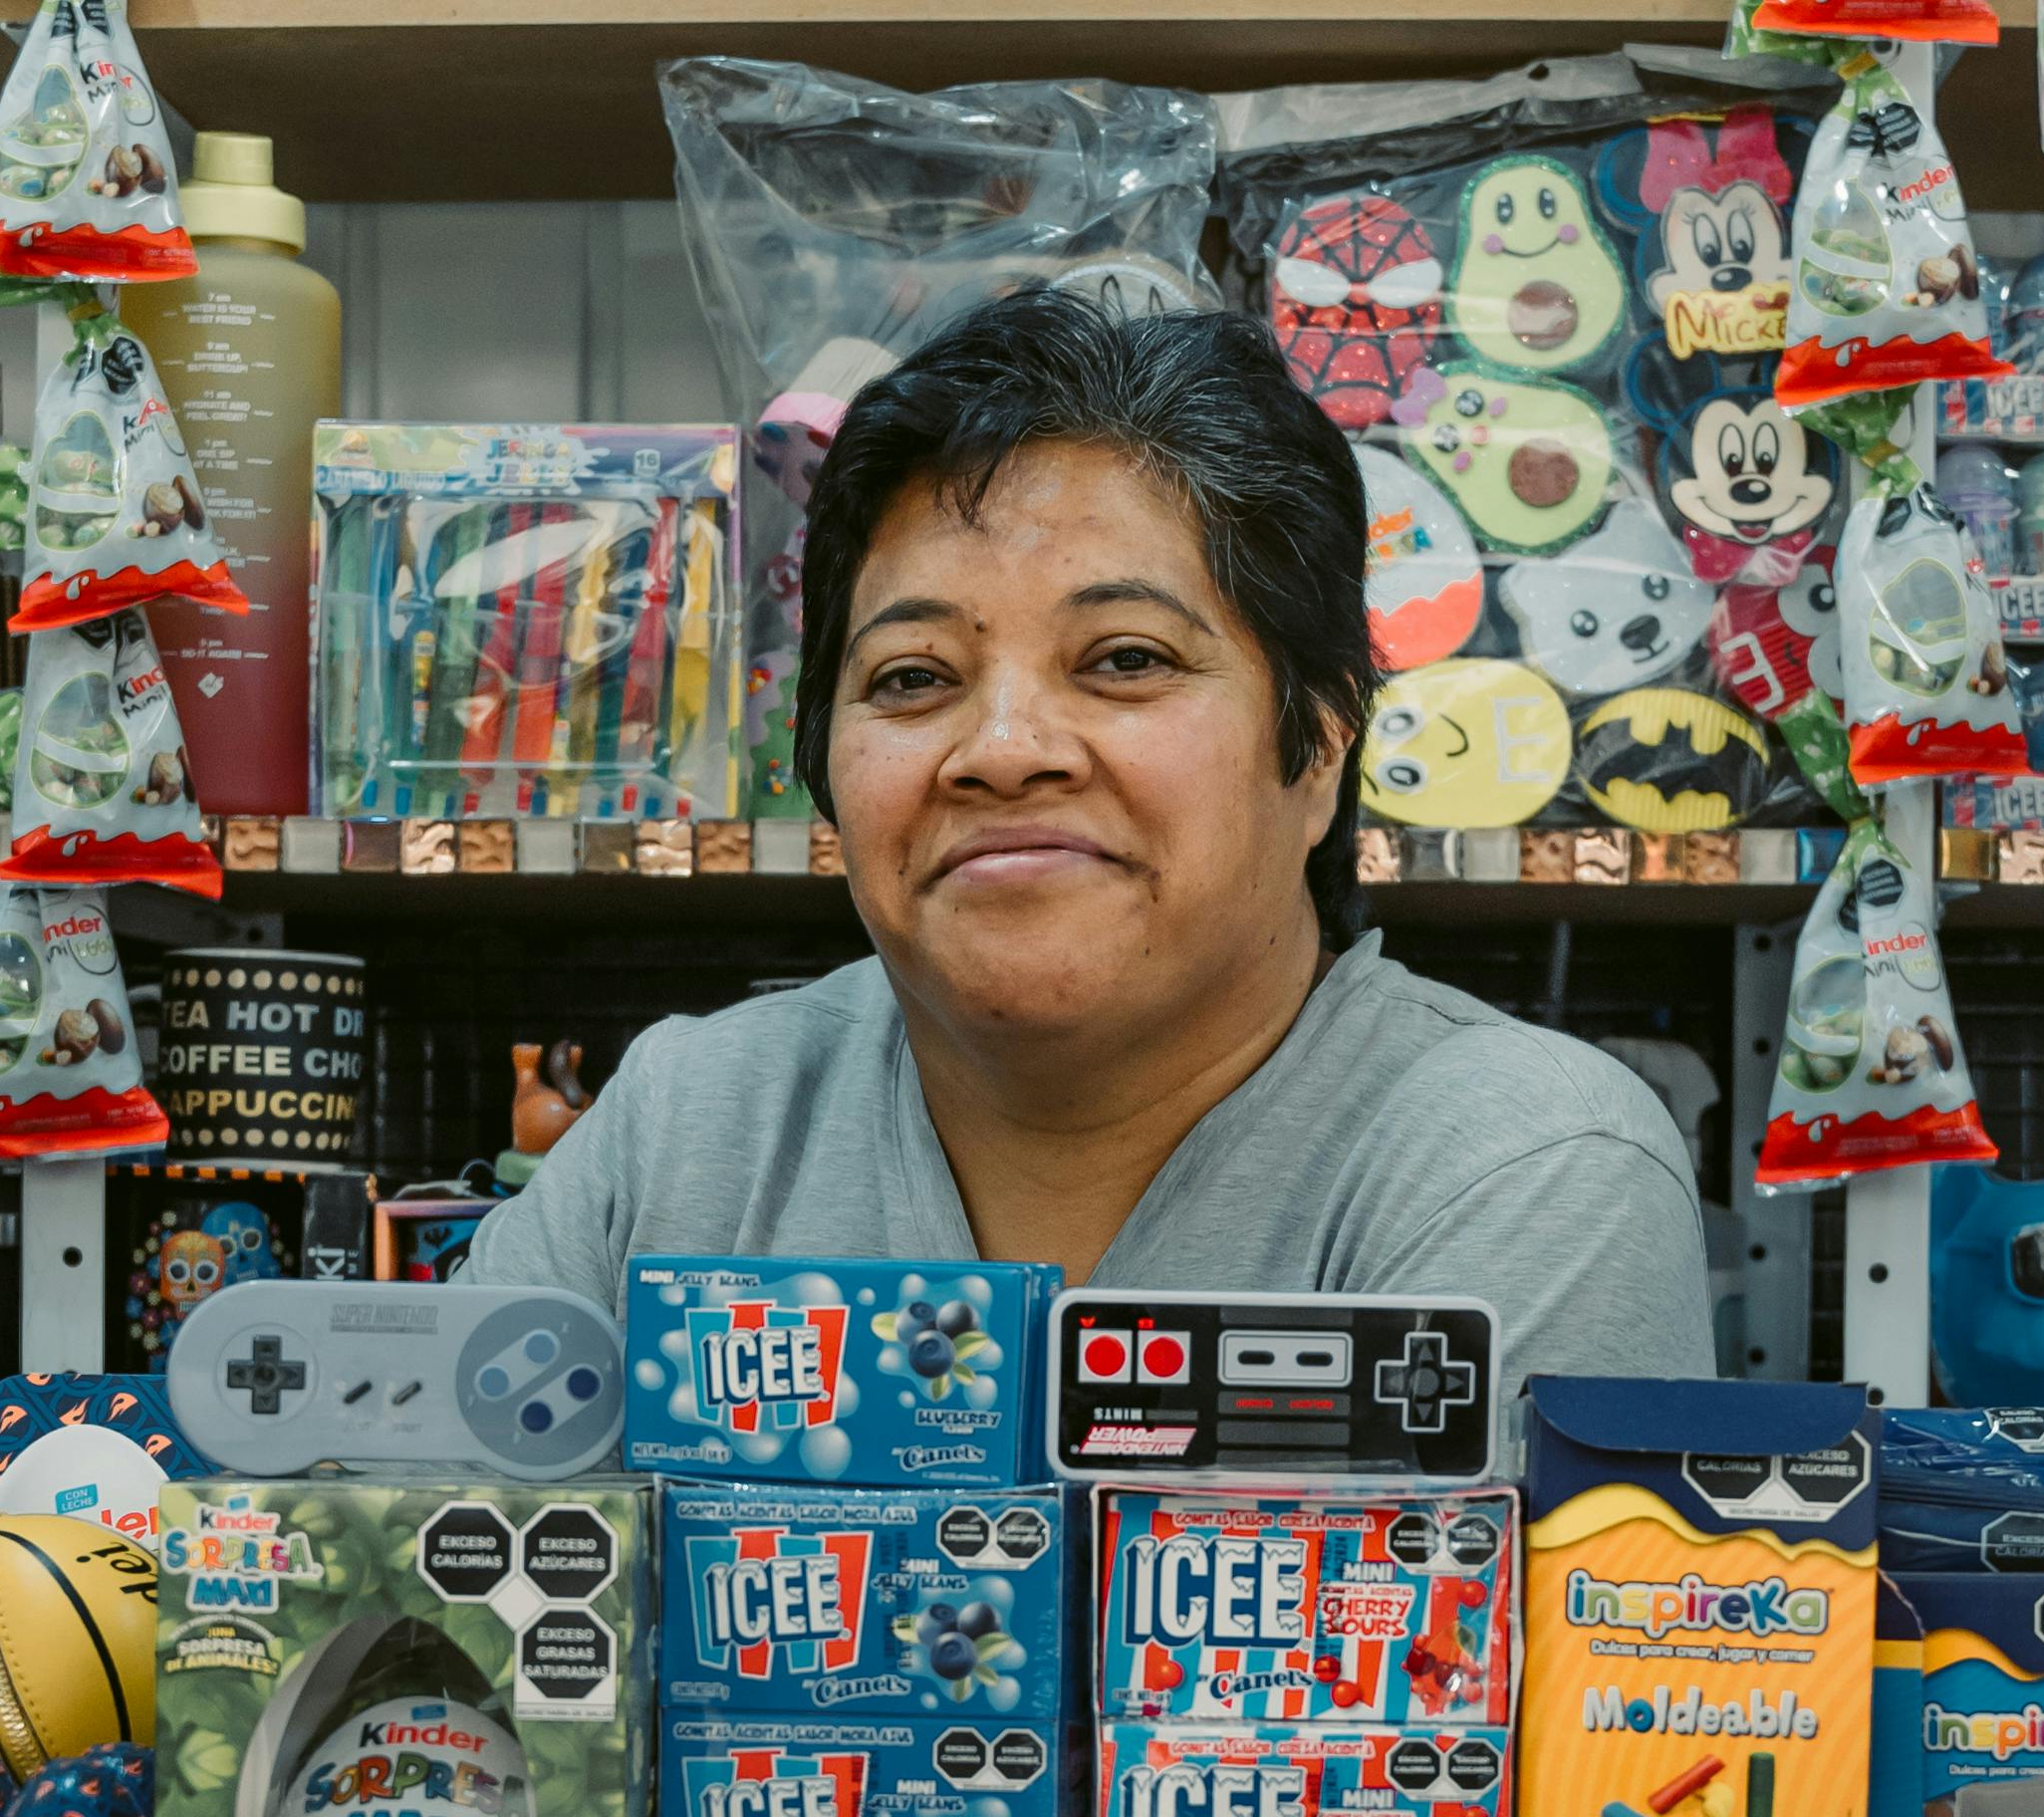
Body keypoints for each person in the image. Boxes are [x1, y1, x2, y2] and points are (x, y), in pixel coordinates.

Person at [462, 286, 1715, 1412]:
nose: (1002, 749)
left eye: (1125, 659)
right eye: (912, 676)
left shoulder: (1517, 1164)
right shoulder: (685, 1131)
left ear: (1321, 744)